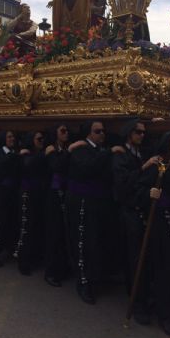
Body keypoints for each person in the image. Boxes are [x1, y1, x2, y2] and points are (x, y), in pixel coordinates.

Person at [134, 130, 170, 337]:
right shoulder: (157, 165)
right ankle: (163, 313)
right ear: (168, 145)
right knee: (162, 264)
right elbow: (139, 189)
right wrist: (149, 195)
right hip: (158, 221)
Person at [112, 119, 160, 324]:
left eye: (143, 132)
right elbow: (122, 183)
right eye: (138, 132)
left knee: (146, 256)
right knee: (134, 258)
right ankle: (136, 300)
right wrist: (143, 167)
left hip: (143, 209)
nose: (142, 135)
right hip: (129, 211)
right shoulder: (120, 155)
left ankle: (147, 295)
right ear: (129, 134)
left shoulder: (141, 151)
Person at [66, 120, 118, 304]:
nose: (102, 134)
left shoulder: (101, 150)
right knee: (84, 242)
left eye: (104, 131)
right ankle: (83, 282)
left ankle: (98, 276)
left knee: (98, 241)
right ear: (89, 133)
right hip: (83, 203)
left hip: (99, 203)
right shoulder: (81, 149)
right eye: (98, 131)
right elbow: (89, 169)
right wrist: (109, 154)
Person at [16, 131, 47, 275]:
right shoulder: (26, 154)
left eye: (43, 139)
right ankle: (23, 260)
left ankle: (34, 256)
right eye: (38, 139)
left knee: (37, 226)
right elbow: (28, 165)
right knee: (26, 226)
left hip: (40, 194)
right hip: (28, 194)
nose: (41, 141)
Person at [0, 130, 20, 268]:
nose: (12, 138)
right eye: (9, 137)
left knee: (10, 222)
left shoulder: (14, 152)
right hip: (0, 192)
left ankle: (7, 248)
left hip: (12, 192)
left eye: (13, 136)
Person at [44, 124, 71, 287]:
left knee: (63, 233)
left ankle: (62, 267)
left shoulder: (65, 148)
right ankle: (51, 271)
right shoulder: (50, 149)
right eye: (63, 130)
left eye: (67, 130)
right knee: (54, 233)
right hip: (53, 196)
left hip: (66, 193)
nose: (66, 133)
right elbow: (57, 166)